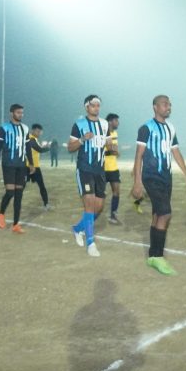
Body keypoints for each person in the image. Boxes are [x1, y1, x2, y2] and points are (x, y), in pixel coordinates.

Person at [132, 95, 186, 274]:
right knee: (165, 213)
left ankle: (152, 256)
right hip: (151, 176)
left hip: (166, 178)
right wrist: (137, 182)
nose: (168, 107)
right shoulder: (146, 128)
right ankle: (158, 257)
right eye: (164, 104)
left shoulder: (170, 128)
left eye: (169, 104)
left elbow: (176, 152)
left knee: (157, 214)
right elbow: (138, 155)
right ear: (155, 107)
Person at [69, 95, 110, 257]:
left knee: (99, 207)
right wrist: (82, 139)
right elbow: (70, 148)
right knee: (89, 203)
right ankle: (91, 243)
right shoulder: (79, 124)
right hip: (85, 169)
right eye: (93, 105)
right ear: (87, 107)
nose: (96, 108)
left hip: (100, 170)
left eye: (98, 105)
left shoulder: (105, 124)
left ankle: (78, 228)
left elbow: (108, 143)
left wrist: (111, 146)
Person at [0, 104, 33, 233]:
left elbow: (28, 147)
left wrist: (31, 163)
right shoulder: (4, 128)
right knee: (10, 192)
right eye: (18, 112)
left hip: (21, 165)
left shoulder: (25, 128)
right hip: (8, 164)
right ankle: (1, 213)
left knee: (19, 195)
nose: (20, 115)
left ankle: (16, 224)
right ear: (12, 113)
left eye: (22, 112)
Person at [26, 123, 52, 210]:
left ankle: (46, 204)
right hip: (27, 167)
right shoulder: (30, 139)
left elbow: (37, 149)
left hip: (35, 166)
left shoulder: (35, 139)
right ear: (32, 130)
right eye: (37, 131)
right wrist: (48, 148)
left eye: (40, 132)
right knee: (20, 186)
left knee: (41, 186)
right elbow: (39, 149)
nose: (38, 133)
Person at [104, 113, 122, 224]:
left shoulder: (115, 133)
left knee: (117, 192)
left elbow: (114, 149)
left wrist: (113, 150)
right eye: (116, 121)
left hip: (113, 167)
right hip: (103, 168)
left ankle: (113, 215)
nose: (118, 123)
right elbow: (110, 149)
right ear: (110, 122)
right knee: (100, 195)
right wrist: (113, 150)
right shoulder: (104, 133)